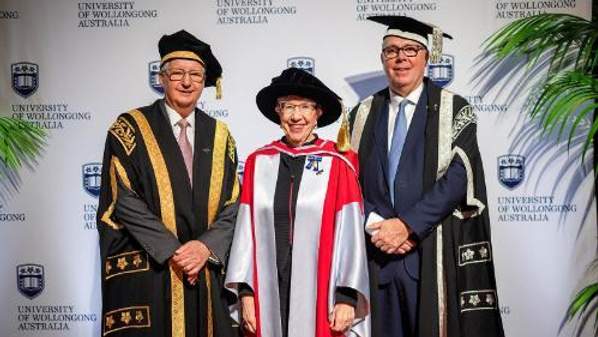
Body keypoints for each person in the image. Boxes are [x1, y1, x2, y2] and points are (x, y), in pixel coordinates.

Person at [348, 16, 505, 337]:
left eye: (410, 49)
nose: (400, 58)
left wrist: (406, 226)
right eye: (392, 51)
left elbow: (459, 177)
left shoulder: (454, 109)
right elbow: (347, 179)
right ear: (382, 58)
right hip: (376, 256)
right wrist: (374, 223)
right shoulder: (362, 113)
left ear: (427, 57)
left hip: (431, 253)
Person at [97, 30, 239, 337]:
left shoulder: (220, 135)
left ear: (205, 82)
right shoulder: (130, 127)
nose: (187, 82)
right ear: (162, 78)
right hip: (153, 270)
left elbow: (234, 203)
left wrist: (205, 247)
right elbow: (122, 198)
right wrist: (174, 251)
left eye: (196, 75)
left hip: (203, 270)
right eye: (178, 73)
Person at [225, 68, 370, 337]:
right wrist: (245, 293)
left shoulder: (338, 163)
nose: (296, 116)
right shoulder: (259, 162)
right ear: (277, 112)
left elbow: (351, 235)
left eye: (305, 107)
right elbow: (245, 234)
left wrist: (347, 297)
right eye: (288, 106)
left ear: (318, 113)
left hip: (322, 291)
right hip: (269, 292)